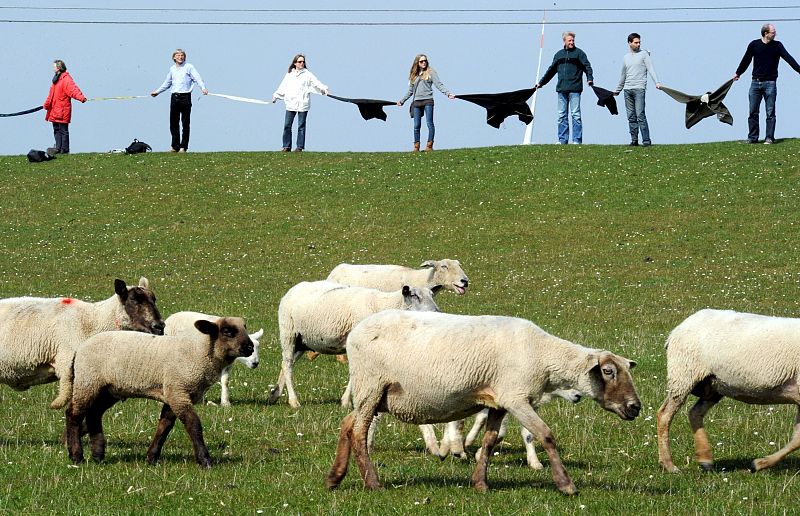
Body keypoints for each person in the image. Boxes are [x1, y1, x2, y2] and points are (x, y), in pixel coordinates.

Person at [734, 23, 800, 144]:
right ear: (766, 33)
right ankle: (752, 138)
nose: (775, 34)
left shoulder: (777, 46)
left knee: (770, 113)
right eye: (773, 32)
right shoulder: (754, 45)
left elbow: (789, 59)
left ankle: (769, 138)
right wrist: (738, 73)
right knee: (753, 112)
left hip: (770, 83)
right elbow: (746, 60)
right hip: (755, 83)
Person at [536, 32, 594, 144]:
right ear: (564, 41)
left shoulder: (579, 54)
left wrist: (589, 78)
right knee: (561, 115)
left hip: (575, 89)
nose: (572, 42)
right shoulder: (559, 55)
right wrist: (541, 83)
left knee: (575, 114)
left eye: (573, 40)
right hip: (561, 89)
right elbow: (551, 70)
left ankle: (577, 140)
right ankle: (562, 140)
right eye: (570, 41)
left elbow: (587, 67)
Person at [150, 48, 208, 153]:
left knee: (185, 123)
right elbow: (167, 83)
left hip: (185, 97)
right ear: (174, 57)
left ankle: (183, 147)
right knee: (173, 123)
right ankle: (175, 146)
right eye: (178, 55)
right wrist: (157, 92)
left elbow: (197, 78)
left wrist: (203, 88)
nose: (180, 57)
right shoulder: (172, 69)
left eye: (182, 55)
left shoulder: (189, 67)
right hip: (174, 97)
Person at [397, 54, 455, 152]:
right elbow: (410, 91)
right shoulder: (414, 75)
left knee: (429, 123)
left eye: (425, 61)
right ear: (417, 63)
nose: (424, 62)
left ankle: (429, 145)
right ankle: (416, 147)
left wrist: (448, 94)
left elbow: (439, 84)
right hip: (416, 102)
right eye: (421, 61)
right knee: (416, 125)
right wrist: (402, 101)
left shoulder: (431, 72)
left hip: (428, 100)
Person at [272, 54, 329, 152]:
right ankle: (286, 146)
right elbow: (283, 86)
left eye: (303, 62)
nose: (302, 63)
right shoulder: (289, 74)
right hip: (291, 104)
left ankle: (299, 147)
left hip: (303, 104)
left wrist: (324, 88)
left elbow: (316, 82)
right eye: (299, 62)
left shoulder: (307, 74)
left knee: (301, 126)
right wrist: (276, 96)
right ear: (295, 63)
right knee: (287, 126)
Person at [613, 33, 662, 147]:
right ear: (630, 43)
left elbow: (651, 69)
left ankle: (646, 141)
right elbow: (623, 75)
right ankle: (634, 140)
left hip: (639, 88)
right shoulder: (625, 57)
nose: (638, 44)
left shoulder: (644, 55)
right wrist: (618, 90)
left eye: (639, 42)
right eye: (636, 42)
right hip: (627, 90)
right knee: (631, 116)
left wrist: (657, 82)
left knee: (640, 115)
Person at [43, 59, 86, 155]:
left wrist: (81, 98)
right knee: (56, 130)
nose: (52, 68)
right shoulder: (56, 80)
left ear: (58, 67)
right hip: (54, 110)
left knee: (63, 131)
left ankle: (65, 150)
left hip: (63, 110)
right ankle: (58, 148)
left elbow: (73, 90)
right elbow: (51, 95)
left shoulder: (66, 79)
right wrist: (46, 105)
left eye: (54, 66)